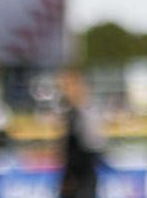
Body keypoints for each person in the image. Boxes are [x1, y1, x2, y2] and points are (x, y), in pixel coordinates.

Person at [55, 70, 105, 198]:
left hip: (83, 174)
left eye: (68, 86)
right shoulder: (69, 111)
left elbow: (93, 145)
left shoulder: (87, 111)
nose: (65, 90)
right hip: (72, 174)